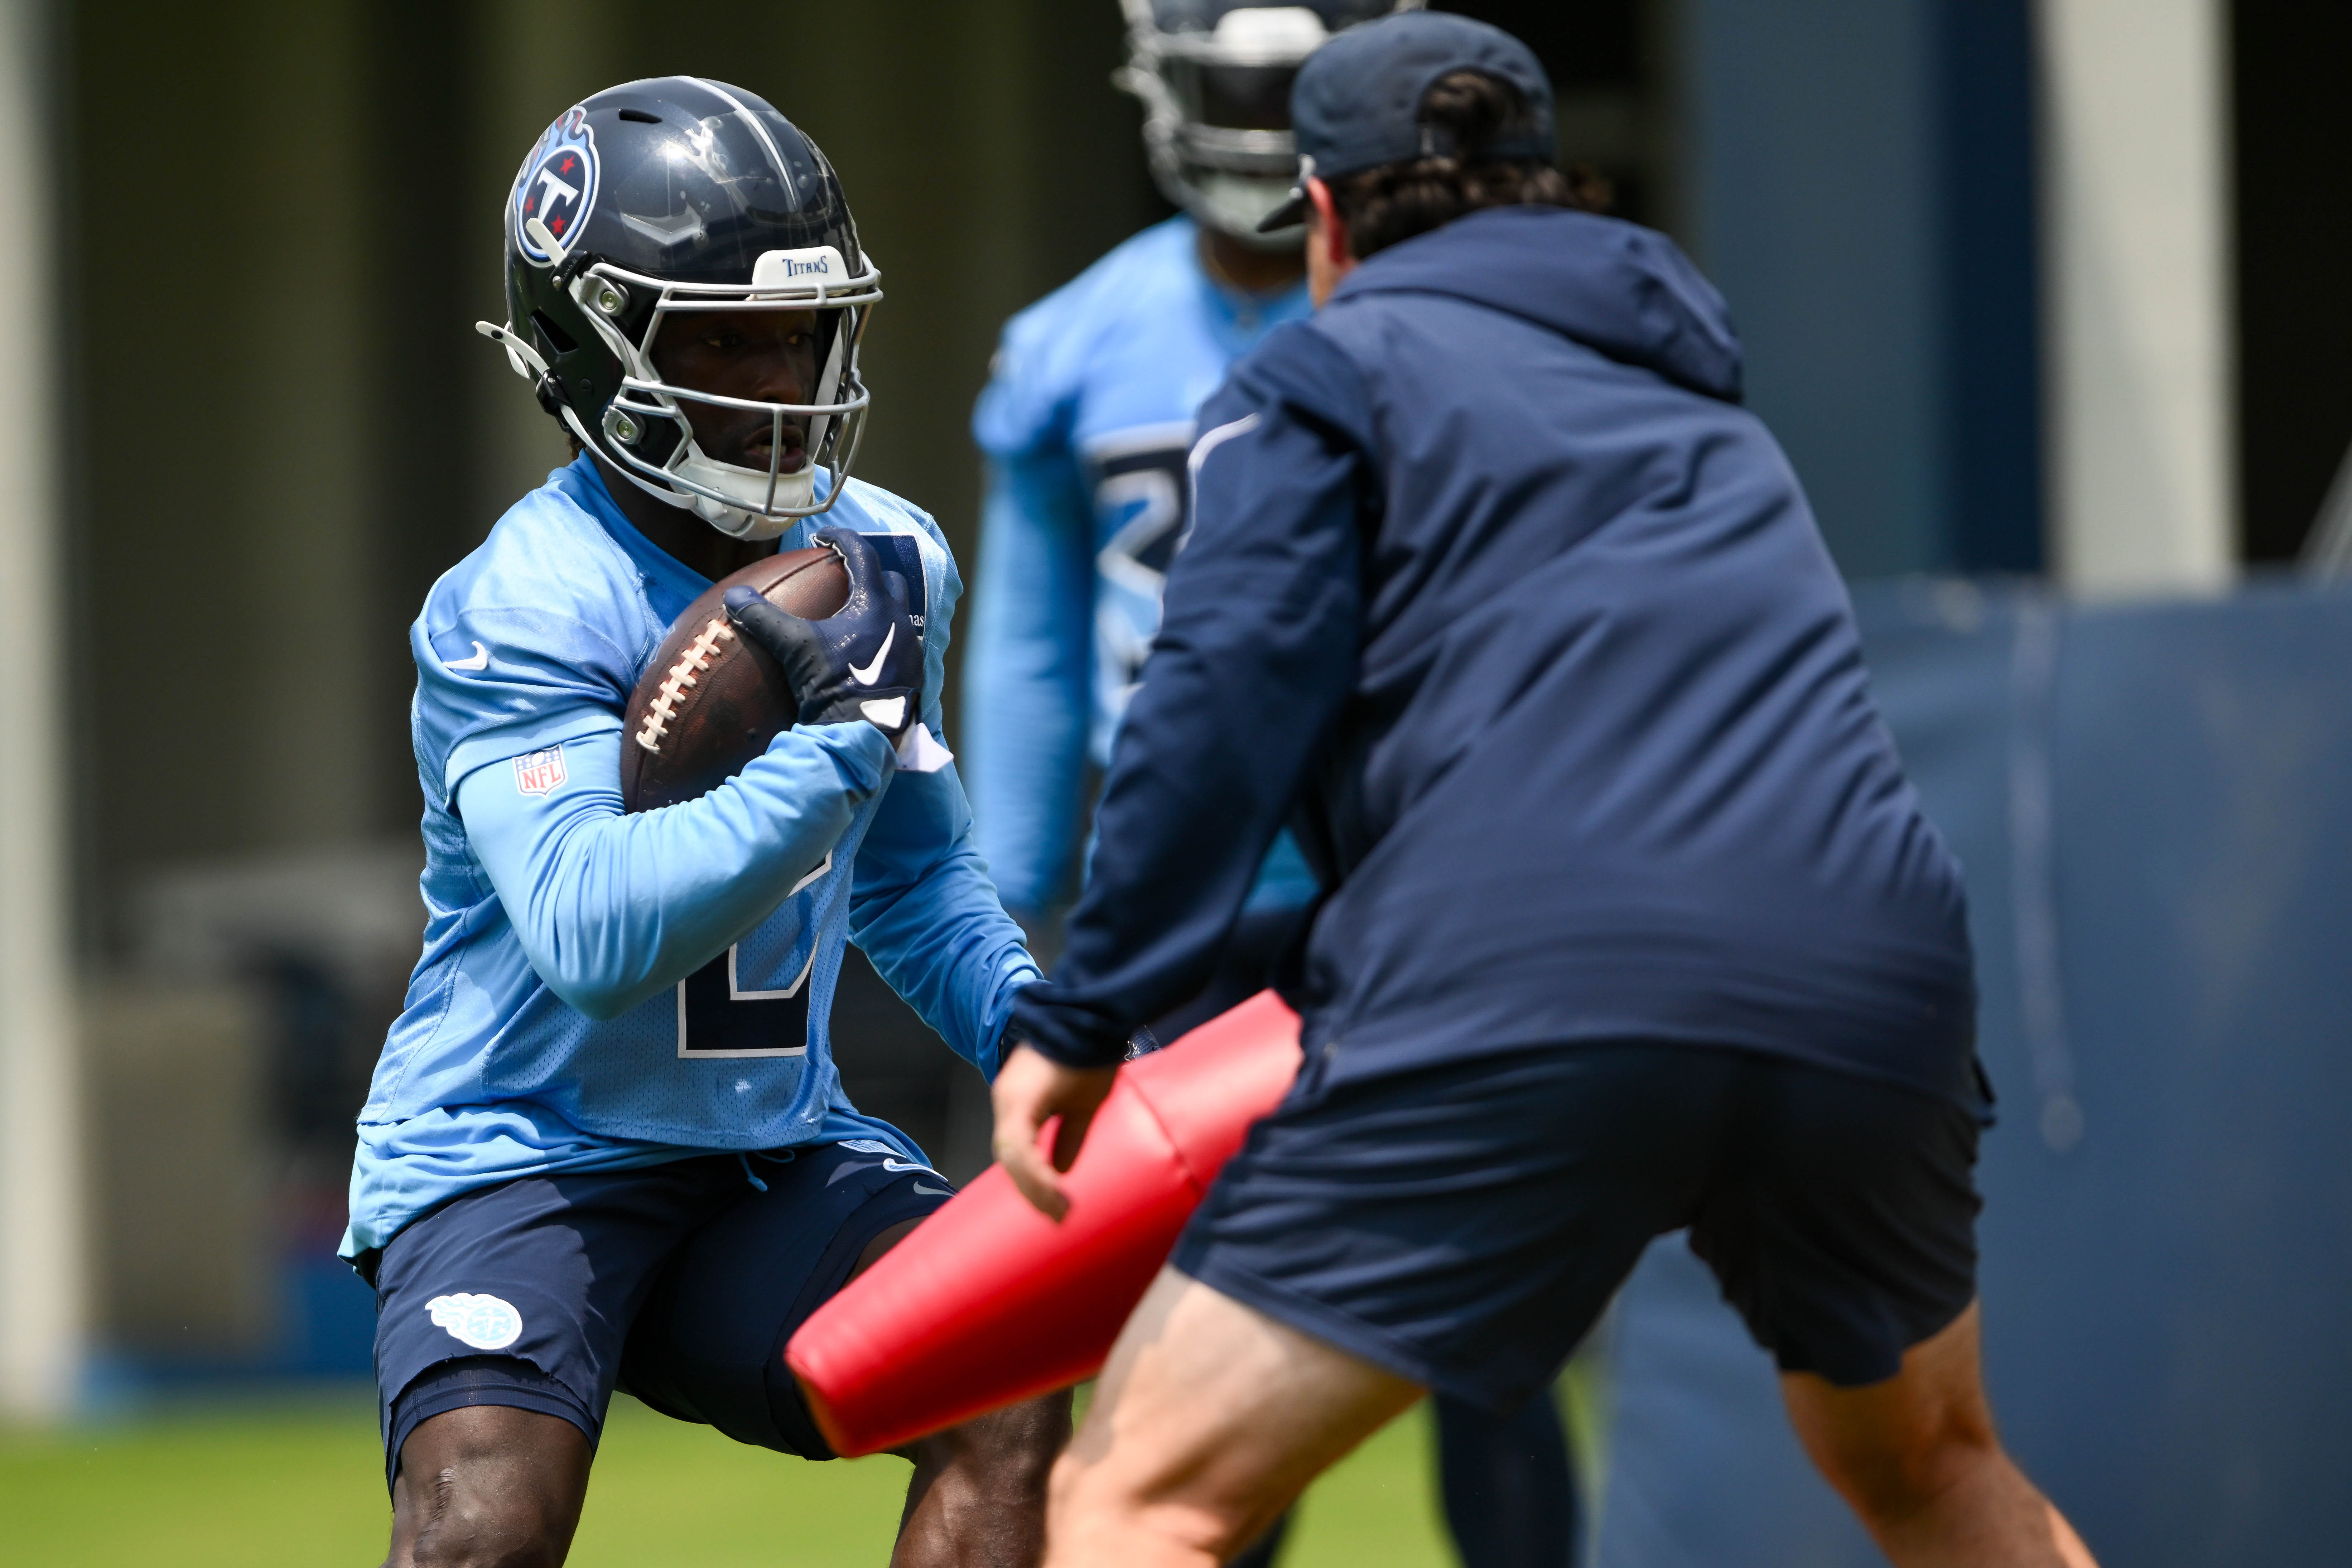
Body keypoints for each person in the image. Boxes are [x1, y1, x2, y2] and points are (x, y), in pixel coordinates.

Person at [988, 14, 2101, 1568]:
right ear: (1538, 188)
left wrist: (1084, 1011)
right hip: (1869, 971)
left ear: (1324, 217)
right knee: (1929, 1466)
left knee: (1140, 1500)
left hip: (1531, 966)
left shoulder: (1315, 377)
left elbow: (1212, 711)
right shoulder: (1696, 398)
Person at [344, 79, 1064, 1568]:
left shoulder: (888, 552)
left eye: (803, 334)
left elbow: (916, 878)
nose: (781, 381)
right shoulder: (523, 600)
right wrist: (834, 753)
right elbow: (594, 932)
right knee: (481, 1530)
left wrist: (1035, 1029)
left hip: (765, 1149)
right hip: (520, 1150)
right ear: (588, 348)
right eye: (725, 340)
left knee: (1008, 1376)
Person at [963, 4, 1578, 1563]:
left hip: (1401, 874)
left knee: (1485, 1330)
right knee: (1199, 1320)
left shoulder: (1421, 327)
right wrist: (1014, 908)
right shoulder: (1075, 344)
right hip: (1192, 910)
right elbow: (1031, 645)